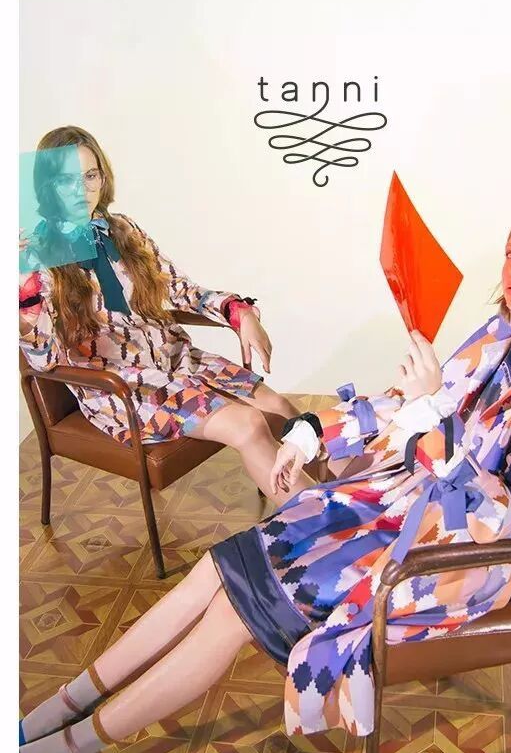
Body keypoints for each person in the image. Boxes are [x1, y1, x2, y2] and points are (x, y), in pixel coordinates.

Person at [19, 203, 511, 753]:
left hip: (466, 557)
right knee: (217, 567)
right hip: (406, 505)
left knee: (232, 613)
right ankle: (65, 705)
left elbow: (500, 513)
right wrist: (310, 432)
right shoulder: (497, 335)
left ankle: (68, 749)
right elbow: (402, 404)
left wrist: (431, 412)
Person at [19, 126, 310, 504]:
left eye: (90, 175)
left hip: (175, 359)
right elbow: (43, 358)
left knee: (284, 411)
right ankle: (322, 522)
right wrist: (23, 290)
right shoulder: (36, 255)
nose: (81, 190)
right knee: (249, 423)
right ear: (47, 186)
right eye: (65, 180)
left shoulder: (122, 229)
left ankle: (354, 499)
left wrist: (238, 310)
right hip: (121, 387)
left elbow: (179, 289)